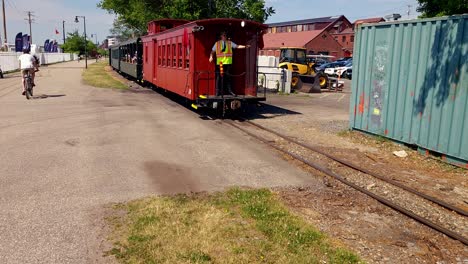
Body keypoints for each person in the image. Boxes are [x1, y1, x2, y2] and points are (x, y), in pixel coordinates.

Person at [209, 31, 250, 96]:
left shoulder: (229, 43)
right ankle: (217, 92)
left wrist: (245, 46)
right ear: (221, 36)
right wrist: (211, 57)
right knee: (219, 77)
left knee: (228, 77)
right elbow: (212, 51)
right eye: (223, 35)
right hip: (220, 63)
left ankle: (230, 91)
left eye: (225, 35)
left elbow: (237, 46)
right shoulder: (217, 43)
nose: (225, 36)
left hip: (228, 63)